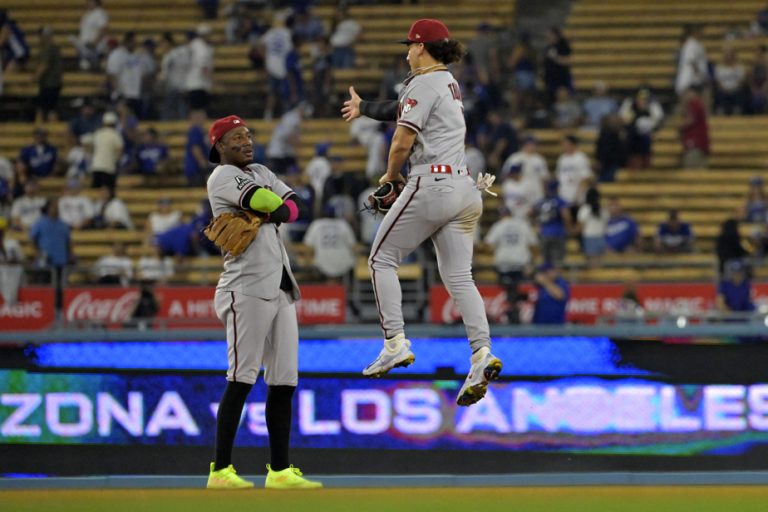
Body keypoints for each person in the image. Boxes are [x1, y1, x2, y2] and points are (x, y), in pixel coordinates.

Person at [340, 19, 502, 407]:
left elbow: (402, 139)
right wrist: (364, 108)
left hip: (432, 184)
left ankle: (394, 341)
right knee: (460, 277)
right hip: (466, 188)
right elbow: (400, 109)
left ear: (423, 48)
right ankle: (481, 354)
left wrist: (390, 176)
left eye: (411, 46)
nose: (406, 52)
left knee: (381, 259)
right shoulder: (446, 82)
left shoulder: (422, 82)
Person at [204, 115, 321, 490]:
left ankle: (280, 471)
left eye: (248, 134)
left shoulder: (259, 169)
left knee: (284, 381)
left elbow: (296, 207)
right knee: (241, 378)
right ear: (219, 145)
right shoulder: (223, 175)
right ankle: (220, 470)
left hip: (281, 286)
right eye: (236, 137)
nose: (246, 141)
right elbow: (267, 200)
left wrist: (273, 208)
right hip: (245, 287)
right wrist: (273, 207)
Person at [483, 207, 537, 324]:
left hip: (504, 265)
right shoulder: (523, 224)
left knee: (509, 292)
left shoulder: (499, 225)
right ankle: (516, 312)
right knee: (517, 292)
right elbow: (533, 244)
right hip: (521, 265)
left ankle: (512, 313)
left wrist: (496, 250)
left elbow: (487, 244)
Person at [303, 206, 357, 282]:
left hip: (322, 262)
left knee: (328, 281)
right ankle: (340, 290)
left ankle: (331, 290)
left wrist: (307, 264)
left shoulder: (317, 224)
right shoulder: (343, 224)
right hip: (342, 261)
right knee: (342, 280)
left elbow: (307, 246)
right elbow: (353, 246)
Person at [619, 87, 663, 170]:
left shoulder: (652, 108)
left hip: (645, 143)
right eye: (640, 99)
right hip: (632, 144)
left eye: (645, 100)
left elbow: (657, 122)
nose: (642, 102)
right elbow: (625, 121)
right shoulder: (630, 107)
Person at [500, 135, 549, 204]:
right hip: (520, 194)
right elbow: (505, 175)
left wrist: (545, 194)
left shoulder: (539, 159)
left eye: (534, 144)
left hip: (537, 193)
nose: (532, 146)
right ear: (524, 144)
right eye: (530, 144)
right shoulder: (515, 158)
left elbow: (545, 178)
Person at [534, 179, 571, 267]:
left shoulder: (542, 201)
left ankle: (547, 278)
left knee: (546, 261)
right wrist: (569, 228)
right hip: (558, 233)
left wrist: (536, 224)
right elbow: (566, 215)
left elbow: (530, 212)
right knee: (558, 261)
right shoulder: (559, 201)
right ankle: (556, 279)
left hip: (544, 233)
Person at [555, 134, 592, 215]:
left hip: (576, 198)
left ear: (573, 145)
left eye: (566, 144)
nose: (564, 146)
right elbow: (559, 178)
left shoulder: (580, 158)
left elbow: (585, 178)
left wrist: (578, 196)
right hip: (563, 196)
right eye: (563, 144)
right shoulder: (562, 159)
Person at [159, 32, 191, 121]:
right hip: (178, 87)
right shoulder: (174, 54)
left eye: (164, 43)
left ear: (169, 43)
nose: (162, 45)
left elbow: (164, 76)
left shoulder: (172, 55)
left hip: (177, 87)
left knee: (170, 110)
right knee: (179, 110)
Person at [35, 26, 63, 124]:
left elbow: (44, 65)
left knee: (44, 109)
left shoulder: (48, 48)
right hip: (55, 83)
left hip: (48, 84)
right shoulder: (55, 48)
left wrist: (34, 78)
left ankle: (42, 128)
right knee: (52, 109)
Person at [90, 111, 124, 193]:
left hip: (96, 166)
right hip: (109, 168)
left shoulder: (97, 133)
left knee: (96, 192)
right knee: (109, 191)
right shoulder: (115, 135)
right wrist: (117, 162)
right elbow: (119, 151)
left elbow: (91, 148)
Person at [679, 86, 710, 169]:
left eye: (687, 93)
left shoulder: (694, 104)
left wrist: (680, 127)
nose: (686, 95)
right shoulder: (700, 104)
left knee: (691, 170)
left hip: (695, 143)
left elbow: (690, 120)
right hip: (701, 143)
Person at [185, 24, 214, 113]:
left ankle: (195, 126)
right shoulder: (202, 47)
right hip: (199, 83)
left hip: (191, 83)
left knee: (194, 110)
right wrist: (212, 81)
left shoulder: (192, 45)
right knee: (199, 111)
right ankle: (198, 127)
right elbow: (204, 66)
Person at [577, 186, 609, 266]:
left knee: (592, 263)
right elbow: (606, 224)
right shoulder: (603, 210)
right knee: (600, 263)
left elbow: (581, 227)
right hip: (601, 237)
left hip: (589, 238)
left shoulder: (585, 209)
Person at [675, 24, 709, 98]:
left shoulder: (698, 44)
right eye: (701, 32)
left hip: (695, 80)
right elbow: (691, 61)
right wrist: (701, 76)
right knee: (688, 102)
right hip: (690, 79)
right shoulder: (691, 44)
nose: (703, 34)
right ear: (695, 32)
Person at [543, 27, 572, 105]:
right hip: (550, 79)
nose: (547, 36)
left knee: (562, 98)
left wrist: (555, 57)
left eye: (550, 34)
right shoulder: (548, 48)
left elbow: (567, 61)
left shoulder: (563, 46)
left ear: (555, 35)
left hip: (561, 78)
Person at [715, 46, 746, 115]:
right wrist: (725, 89)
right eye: (727, 55)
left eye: (730, 55)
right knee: (719, 94)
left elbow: (741, 81)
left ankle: (737, 115)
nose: (728, 57)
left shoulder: (739, 67)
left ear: (734, 55)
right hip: (723, 90)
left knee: (740, 93)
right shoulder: (719, 67)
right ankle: (720, 116)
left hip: (736, 90)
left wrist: (733, 89)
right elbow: (718, 82)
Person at [594, 114, 625, 183]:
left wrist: (601, 161)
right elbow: (601, 149)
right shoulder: (606, 134)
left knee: (606, 180)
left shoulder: (614, 134)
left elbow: (606, 150)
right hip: (608, 163)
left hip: (610, 163)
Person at [183, 110, 210, 186]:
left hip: (196, 167)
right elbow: (195, 148)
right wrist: (203, 163)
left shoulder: (200, 130)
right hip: (195, 168)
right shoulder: (195, 130)